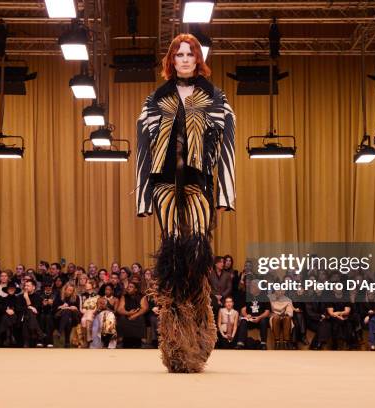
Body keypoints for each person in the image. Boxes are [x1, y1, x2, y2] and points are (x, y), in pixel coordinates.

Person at [135, 33, 236, 373]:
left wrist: (225, 194)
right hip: (164, 182)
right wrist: (142, 197)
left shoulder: (215, 98)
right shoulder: (154, 101)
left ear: (198, 59)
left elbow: (227, 147)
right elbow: (144, 149)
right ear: (171, 60)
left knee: (196, 250)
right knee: (173, 253)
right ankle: (175, 338)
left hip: (200, 183)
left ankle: (200, 328)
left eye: (190, 53)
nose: (184, 59)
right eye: (178, 54)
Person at [237, 280, 271, 350]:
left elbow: (267, 312)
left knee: (264, 321)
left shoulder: (265, 297)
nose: (251, 288)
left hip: (260, 319)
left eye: (253, 286)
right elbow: (243, 309)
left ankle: (263, 344)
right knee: (243, 321)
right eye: (251, 286)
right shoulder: (247, 296)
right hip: (250, 319)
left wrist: (259, 317)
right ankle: (241, 343)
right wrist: (246, 315)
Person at [117, 281, 148, 348]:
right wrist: (128, 313)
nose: (128, 288)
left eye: (131, 287)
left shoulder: (142, 296)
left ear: (136, 289)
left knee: (141, 318)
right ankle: (121, 340)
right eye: (128, 287)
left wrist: (134, 315)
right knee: (122, 318)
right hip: (127, 314)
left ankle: (142, 340)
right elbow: (120, 309)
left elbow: (144, 308)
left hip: (138, 314)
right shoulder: (124, 297)